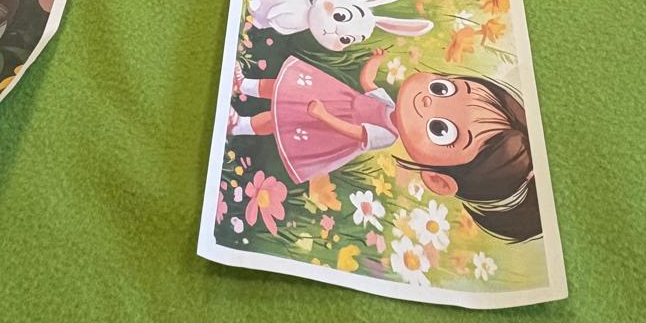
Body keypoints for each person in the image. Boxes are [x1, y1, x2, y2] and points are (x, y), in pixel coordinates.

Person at [229, 50, 540, 242]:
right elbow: (368, 84)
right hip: (335, 97)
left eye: (440, 129)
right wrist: (375, 62)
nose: (428, 100)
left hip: (328, 125)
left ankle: (239, 125)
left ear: (437, 180)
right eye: (443, 89)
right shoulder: (389, 104)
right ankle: (242, 85)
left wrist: (323, 115)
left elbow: (354, 132)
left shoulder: (387, 135)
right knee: (284, 88)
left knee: (281, 119)